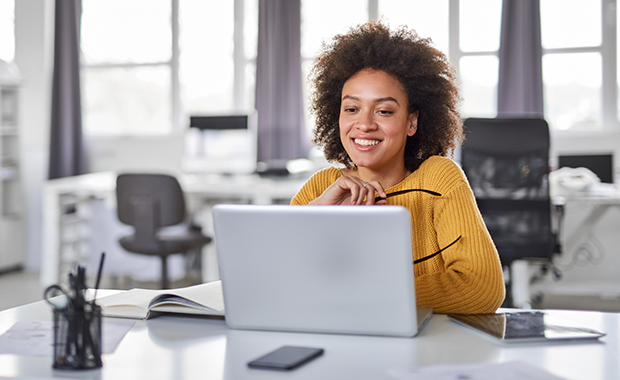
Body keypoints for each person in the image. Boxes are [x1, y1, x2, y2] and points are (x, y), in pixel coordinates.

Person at [290, 22, 505, 314]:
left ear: (411, 122)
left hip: (427, 351)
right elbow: (283, 285)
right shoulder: (320, 188)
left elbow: (481, 287)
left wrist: (360, 294)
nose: (364, 124)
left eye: (384, 111)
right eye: (351, 109)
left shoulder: (439, 179)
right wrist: (314, 218)